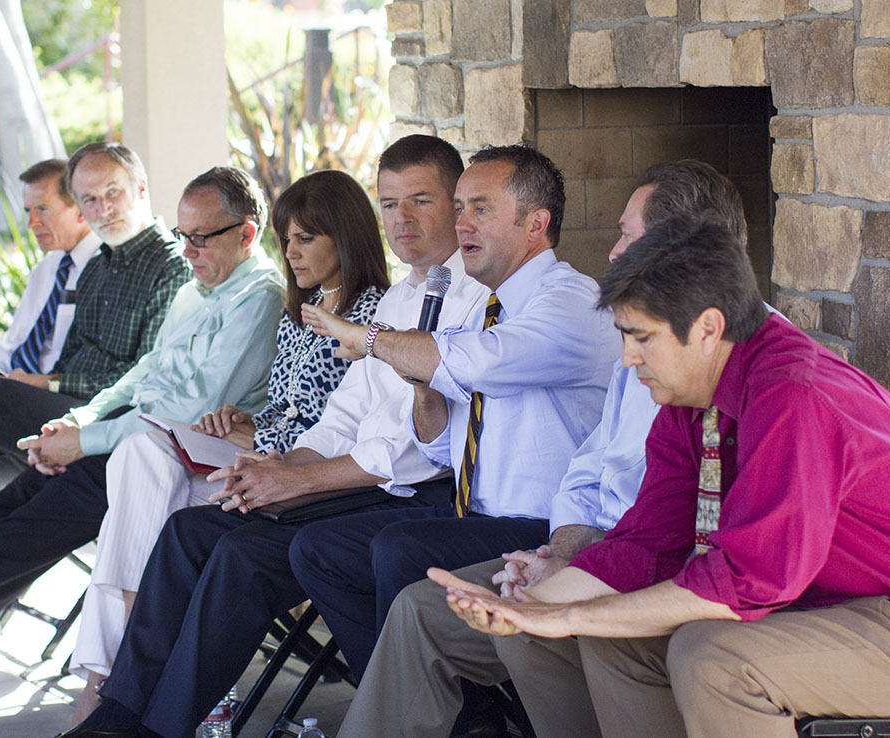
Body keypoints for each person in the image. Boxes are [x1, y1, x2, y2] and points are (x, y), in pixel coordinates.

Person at [59, 134, 489, 738]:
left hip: (405, 493)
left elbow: (411, 452)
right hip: (347, 475)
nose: (403, 219)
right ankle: (121, 711)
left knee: (236, 551)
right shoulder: (399, 296)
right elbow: (341, 416)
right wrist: (279, 465)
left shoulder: (474, 299)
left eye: (421, 199)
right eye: (390, 203)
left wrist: (296, 476)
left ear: (460, 204)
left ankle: (155, 729)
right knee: (187, 529)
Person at [434, 216, 890, 738]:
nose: (627, 358)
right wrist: (526, 608)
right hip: (827, 605)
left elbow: (747, 581)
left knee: (712, 656)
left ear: (708, 328)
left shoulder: (792, 395)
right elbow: (648, 544)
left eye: (642, 338)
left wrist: (570, 615)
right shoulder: (694, 398)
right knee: (617, 636)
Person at [334, 159, 755, 738]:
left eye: (626, 237)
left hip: (612, 550)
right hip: (578, 536)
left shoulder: (584, 309)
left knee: (448, 575)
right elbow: (585, 469)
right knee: (412, 604)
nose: (611, 254)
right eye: (459, 208)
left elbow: (704, 548)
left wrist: (566, 586)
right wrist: (562, 552)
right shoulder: (645, 356)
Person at [0, 165, 285, 700]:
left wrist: (83, 440)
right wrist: (78, 422)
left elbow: (188, 411)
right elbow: (142, 374)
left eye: (202, 238)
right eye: (183, 236)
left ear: (247, 231)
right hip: (111, 444)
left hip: (164, 466)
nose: (189, 251)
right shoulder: (197, 291)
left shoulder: (260, 298)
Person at [66, 169, 389, 724]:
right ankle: (118, 702)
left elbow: (351, 430)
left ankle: (119, 697)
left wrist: (275, 455)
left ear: (347, 236)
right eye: (287, 239)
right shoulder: (298, 311)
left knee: (153, 484)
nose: (290, 252)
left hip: (326, 484)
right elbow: (288, 416)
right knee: (162, 504)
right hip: (268, 459)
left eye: (306, 238)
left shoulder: (375, 319)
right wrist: (247, 424)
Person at [289, 144, 619, 684]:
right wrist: (424, 392)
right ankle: (422, 702)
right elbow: (442, 445)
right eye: (460, 207)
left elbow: (479, 364)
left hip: (546, 523)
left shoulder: (570, 301)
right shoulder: (484, 304)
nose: (462, 223)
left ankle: (433, 704)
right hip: (475, 511)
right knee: (319, 549)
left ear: (536, 223)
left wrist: (369, 337)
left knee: (400, 548)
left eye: (480, 209)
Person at [0, 142, 190, 557]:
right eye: (91, 199)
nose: (102, 209)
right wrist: (28, 382)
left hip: (94, 417)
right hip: (49, 399)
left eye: (111, 193)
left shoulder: (162, 266)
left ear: (140, 189)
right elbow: (43, 353)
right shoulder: (84, 268)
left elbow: (143, 378)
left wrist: (45, 385)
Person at [0, 159, 100, 374]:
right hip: (15, 387)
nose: (32, 223)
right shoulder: (46, 269)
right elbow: (11, 347)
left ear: (81, 210)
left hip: (61, 393)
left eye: (42, 209)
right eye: (28, 211)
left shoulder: (105, 270)